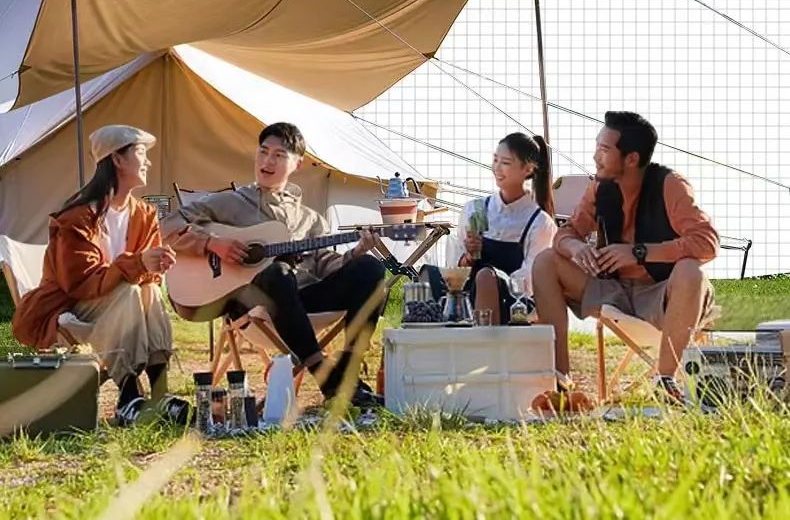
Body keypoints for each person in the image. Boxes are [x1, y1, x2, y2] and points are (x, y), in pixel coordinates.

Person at [161, 122, 386, 407]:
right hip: (253, 307)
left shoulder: (311, 219)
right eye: (263, 152)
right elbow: (166, 225)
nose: (267, 161)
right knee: (276, 272)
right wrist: (211, 243)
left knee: (370, 268)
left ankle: (348, 370)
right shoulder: (229, 203)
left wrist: (356, 253)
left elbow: (325, 265)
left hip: (301, 303)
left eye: (279, 155)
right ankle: (325, 376)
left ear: (297, 164)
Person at [532, 111, 719, 401]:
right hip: (614, 290)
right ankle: (560, 380)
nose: (595, 156)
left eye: (604, 150)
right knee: (546, 261)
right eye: (597, 147)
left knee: (691, 272)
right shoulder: (599, 187)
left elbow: (707, 242)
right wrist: (577, 248)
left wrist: (639, 253)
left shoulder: (670, 185)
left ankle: (665, 381)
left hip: (661, 294)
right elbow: (565, 235)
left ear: (631, 159)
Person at [12, 125, 189, 426]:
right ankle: (128, 396)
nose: (148, 161)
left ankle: (159, 393)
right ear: (117, 160)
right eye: (141, 153)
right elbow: (80, 284)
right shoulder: (77, 218)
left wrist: (155, 265)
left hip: (118, 314)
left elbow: (145, 277)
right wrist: (138, 264)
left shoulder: (144, 214)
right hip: (70, 310)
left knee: (148, 290)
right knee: (130, 291)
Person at [426, 132, 557, 324]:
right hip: (468, 296)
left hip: (512, 304)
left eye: (506, 162)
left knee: (486, 277)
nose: (497, 168)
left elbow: (531, 282)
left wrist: (493, 280)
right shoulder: (478, 209)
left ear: (528, 169)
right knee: (427, 275)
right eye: (496, 160)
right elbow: (456, 268)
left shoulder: (538, 222)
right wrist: (469, 256)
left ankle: (484, 338)